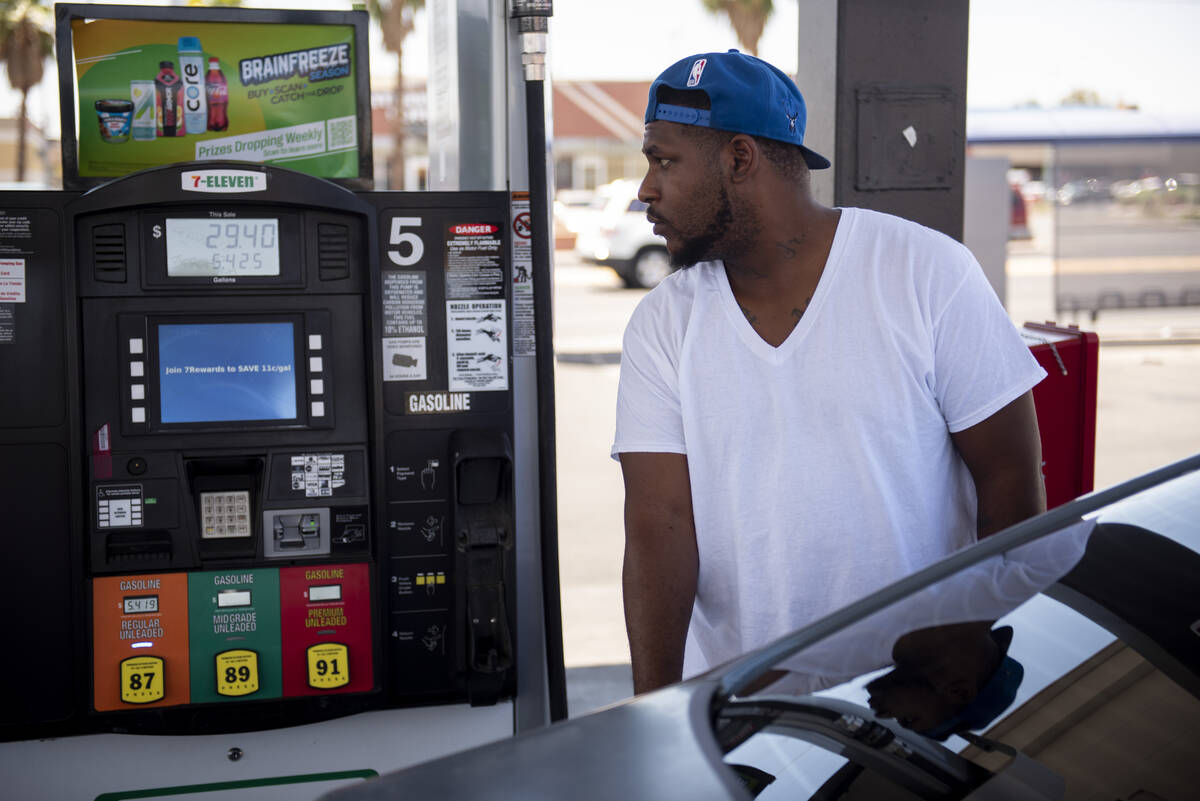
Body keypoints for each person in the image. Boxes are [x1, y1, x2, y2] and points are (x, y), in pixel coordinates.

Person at [612, 50, 1048, 695]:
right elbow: (659, 525)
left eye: (664, 159)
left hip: (916, 695)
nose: (646, 189)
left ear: (738, 158)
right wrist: (653, 714)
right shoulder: (663, 323)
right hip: (743, 710)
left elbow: (1010, 483)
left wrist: (973, 654)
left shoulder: (925, 272)